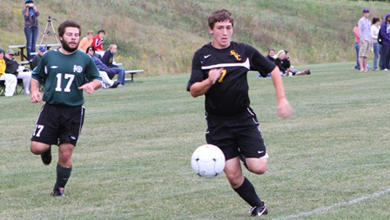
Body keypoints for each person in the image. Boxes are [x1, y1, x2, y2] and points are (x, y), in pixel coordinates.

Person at [187, 9, 293, 217]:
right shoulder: (202, 56)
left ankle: (244, 152)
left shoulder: (243, 51)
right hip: (218, 124)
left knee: (259, 167)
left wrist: (281, 99)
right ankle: (258, 205)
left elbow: (272, 69)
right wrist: (209, 80)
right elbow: (193, 91)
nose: (225, 32)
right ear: (211, 30)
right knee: (234, 176)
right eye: (220, 28)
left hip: (243, 119)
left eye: (228, 28)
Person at [30, 20, 102, 197]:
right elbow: (36, 76)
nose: (73, 38)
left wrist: (92, 85)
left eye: (76, 35)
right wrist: (34, 91)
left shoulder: (85, 58)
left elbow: (97, 79)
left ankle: (59, 188)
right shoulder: (49, 56)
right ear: (61, 37)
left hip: (74, 111)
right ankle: (46, 149)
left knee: (65, 153)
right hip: (51, 109)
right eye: (70, 35)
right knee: (36, 147)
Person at [358, 8, 372, 72]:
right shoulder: (361, 20)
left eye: (367, 12)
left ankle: (365, 67)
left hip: (368, 39)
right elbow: (359, 30)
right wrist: (361, 38)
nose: (366, 13)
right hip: (363, 39)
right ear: (363, 13)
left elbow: (370, 31)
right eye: (365, 12)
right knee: (361, 54)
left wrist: (371, 40)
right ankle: (361, 68)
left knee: (366, 55)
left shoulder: (369, 21)